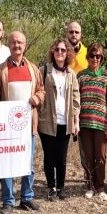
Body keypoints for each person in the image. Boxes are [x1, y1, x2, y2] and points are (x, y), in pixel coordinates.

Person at [0, 31, 45, 214]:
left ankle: (27, 197)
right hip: (7, 128)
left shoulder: (33, 69)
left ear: (25, 44)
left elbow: (41, 90)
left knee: (27, 163)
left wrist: (37, 98)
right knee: (7, 165)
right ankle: (8, 200)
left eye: (20, 42)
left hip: (28, 126)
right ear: (9, 44)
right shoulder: (0, 71)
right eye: (13, 42)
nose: (17, 46)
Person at [37, 38, 80, 201]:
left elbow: (76, 98)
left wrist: (76, 122)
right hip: (47, 121)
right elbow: (38, 91)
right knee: (49, 156)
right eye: (57, 50)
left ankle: (61, 187)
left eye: (63, 50)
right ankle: (51, 187)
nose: (60, 53)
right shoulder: (44, 70)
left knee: (61, 157)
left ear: (67, 53)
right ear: (52, 52)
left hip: (65, 121)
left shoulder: (71, 73)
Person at [77, 42, 107, 201]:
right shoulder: (81, 76)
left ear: (102, 58)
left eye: (98, 56)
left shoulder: (106, 77)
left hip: (101, 124)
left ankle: (100, 187)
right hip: (84, 124)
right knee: (87, 156)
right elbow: (76, 100)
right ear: (87, 57)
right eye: (92, 56)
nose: (95, 59)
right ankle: (90, 186)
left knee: (100, 156)